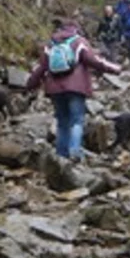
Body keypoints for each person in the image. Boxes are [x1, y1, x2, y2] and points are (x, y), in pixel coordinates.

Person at [25, 15, 121, 159]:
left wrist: (30, 84)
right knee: (76, 121)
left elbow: (41, 67)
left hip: (54, 89)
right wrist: (115, 68)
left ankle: (61, 155)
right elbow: (94, 61)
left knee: (62, 122)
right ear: (75, 28)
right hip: (76, 88)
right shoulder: (79, 42)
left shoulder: (50, 44)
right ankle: (75, 152)